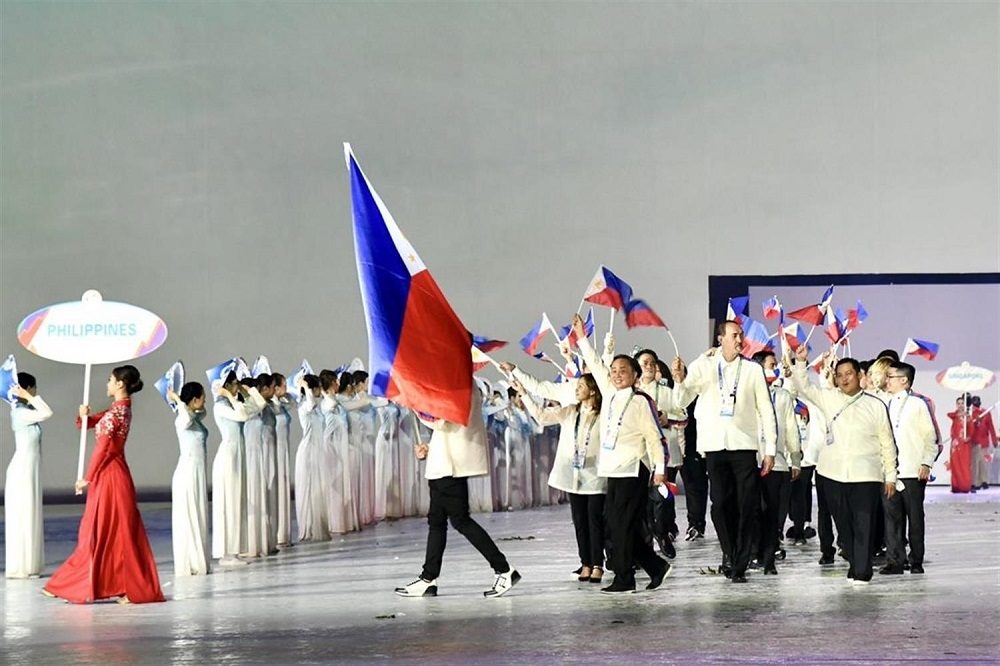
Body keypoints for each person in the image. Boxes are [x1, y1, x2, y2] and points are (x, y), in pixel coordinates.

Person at [43, 365, 164, 604]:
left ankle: (74, 583)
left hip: (109, 476)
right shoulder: (118, 411)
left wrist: (87, 477)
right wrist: (84, 415)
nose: (107, 384)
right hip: (110, 475)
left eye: (110, 380)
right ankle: (120, 586)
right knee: (108, 532)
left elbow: (104, 448)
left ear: (120, 383)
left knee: (100, 531)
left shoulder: (117, 414)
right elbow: (86, 425)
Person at [671, 321, 777, 583]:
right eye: (734, 335)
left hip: (744, 445)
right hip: (714, 446)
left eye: (740, 335)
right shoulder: (704, 365)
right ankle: (729, 553)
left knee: (747, 504)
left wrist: (770, 449)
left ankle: (740, 562)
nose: (740, 339)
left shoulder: (752, 370)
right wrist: (679, 381)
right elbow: (680, 402)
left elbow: (766, 410)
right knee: (720, 505)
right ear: (721, 339)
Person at [395, 382, 520, 598]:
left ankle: (503, 569)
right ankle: (428, 578)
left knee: (460, 521)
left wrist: (413, 403)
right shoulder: (458, 384)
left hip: (450, 469)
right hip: (441, 465)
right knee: (437, 523)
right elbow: (446, 431)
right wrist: (430, 448)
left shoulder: (461, 386)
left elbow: (444, 420)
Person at [574, 315, 671, 594]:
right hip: (611, 470)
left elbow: (655, 437)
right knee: (617, 527)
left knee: (622, 526)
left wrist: (660, 469)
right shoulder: (609, 391)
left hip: (632, 469)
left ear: (635, 376)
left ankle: (625, 577)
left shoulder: (639, 401)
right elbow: (594, 362)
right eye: (614, 370)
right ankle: (655, 567)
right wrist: (581, 336)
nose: (616, 374)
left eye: (623, 371)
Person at [790, 347, 897, 585]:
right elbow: (804, 387)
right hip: (832, 474)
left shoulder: (876, 405)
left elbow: (887, 443)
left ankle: (862, 571)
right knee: (844, 527)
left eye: (849, 373)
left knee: (864, 524)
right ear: (835, 378)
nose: (845, 378)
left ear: (859, 375)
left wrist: (890, 475)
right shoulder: (829, 398)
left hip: (866, 476)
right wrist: (800, 362)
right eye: (840, 374)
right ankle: (854, 563)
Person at [512, 370, 608, 583]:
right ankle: (585, 563)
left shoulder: (604, 415)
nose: (577, 389)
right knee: (580, 521)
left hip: (595, 475)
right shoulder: (571, 411)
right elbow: (542, 416)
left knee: (595, 520)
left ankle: (598, 564)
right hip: (573, 475)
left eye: (581, 386)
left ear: (592, 390)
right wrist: (524, 394)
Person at [879, 362, 937, 576]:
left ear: (904, 380)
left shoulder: (917, 405)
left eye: (891, 376)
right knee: (891, 518)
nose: (887, 380)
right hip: (889, 473)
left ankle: (916, 560)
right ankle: (895, 560)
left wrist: (926, 462)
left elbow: (930, 437)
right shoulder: (883, 402)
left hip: (913, 471)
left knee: (915, 518)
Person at [750, 350, 801, 575]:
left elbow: (791, 428)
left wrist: (796, 459)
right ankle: (752, 553)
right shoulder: (746, 393)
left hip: (777, 463)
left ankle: (769, 558)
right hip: (749, 461)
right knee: (751, 511)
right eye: (771, 365)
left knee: (771, 514)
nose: (775, 368)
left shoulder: (782, 396)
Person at [211, 371, 266, 564]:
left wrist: (248, 390)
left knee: (237, 500)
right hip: (228, 456)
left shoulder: (233, 403)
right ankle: (227, 553)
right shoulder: (220, 406)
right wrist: (228, 395)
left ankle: (235, 549)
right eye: (234, 383)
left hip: (238, 454)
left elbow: (259, 405)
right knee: (229, 501)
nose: (237, 386)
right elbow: (242, 416)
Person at [5, 373, 53, 579]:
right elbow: (48, 412)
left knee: (30, 514)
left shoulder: (26, 410)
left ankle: (31, 565)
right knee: (23, 514)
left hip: (30, 468)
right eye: (34, 388)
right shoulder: (20, 412)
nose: (36, 391)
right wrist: (28, 396)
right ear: (28, 389)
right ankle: (20, 566)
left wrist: (29, 399)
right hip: (22, 469)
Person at [167, 382, 211, 576]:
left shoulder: (195, 417)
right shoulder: (182, 419)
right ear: (194, 400)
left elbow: (202, 411)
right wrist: (177, 399)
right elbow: (184, 415)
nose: (205, 401)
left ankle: (198, 558)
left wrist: (186, 403)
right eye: (202, 397)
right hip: (187, 472)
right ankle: (191, 561)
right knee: (189, 515)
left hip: (197, 472)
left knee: (198, 513)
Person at [270, 373, 295, 547]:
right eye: (284, 385)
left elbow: (294, 402)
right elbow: (276, 409)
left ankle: (284, 535)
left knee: (284, 490)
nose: (287, 388)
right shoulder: (271, 405)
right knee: (276, 491)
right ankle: (277, 535)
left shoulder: (283, 403)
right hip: (275, 450)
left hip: (283, 450)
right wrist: (276, 397)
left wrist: (284, 395)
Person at [946, 396, 974, 493]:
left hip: (964, 444)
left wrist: (968, 437)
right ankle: (956, 486)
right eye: (958, 403)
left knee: (964, 465)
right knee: (955, 465)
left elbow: (972, 430)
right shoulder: (955, 415)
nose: (960, 405)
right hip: (955, 445)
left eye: (962, 403)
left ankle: (965, 487)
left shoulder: (968, 417)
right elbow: (949, 414)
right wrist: (959, 414)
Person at [971, 397, 997, 489]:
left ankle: (984, 481)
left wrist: (994, 440)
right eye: (974, 401)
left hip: (984, 442)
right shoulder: (971, 414)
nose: (976, 402)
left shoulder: (986, 413)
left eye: (978, 401)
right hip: (974, 442)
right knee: (975, 463)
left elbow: (991, 426)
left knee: (984, 463)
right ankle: (976, 483)